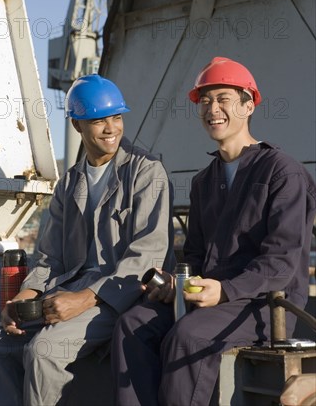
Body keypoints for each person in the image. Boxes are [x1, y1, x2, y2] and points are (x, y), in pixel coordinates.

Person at [111, 57, 316, 406]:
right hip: (211, 298)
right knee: (131, 325)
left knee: (188, 336)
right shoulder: (204, 181)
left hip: (265, 304)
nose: (212, 109)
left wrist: (225, 290)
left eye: (223, 98)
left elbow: (281, 263)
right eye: (205, 101)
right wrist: (177, 284)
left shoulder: (283, 172)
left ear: (248, 105)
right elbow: (194, 255)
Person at [0, 74, 175, 406]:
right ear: (78, 125)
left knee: (44, 350)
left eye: (117, 117)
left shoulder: (145, 172)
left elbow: (146, 257)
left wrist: (85, 299)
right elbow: (50, 256)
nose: (111, 128)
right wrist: (26, 294)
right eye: (99, 120)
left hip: (121, 296)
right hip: (69, 291)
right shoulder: (70, 183)